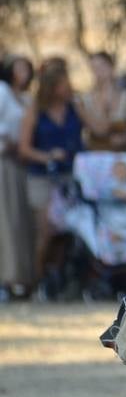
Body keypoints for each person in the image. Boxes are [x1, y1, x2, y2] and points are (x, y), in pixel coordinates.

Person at [18, 61, 83, 296]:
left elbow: (98, 128)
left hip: (68, 175)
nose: (69, 88)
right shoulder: (36, 111)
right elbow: (24, 149)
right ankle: (36, 282)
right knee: (45, 231)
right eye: (65, 84)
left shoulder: (74, 108)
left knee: (66, 231)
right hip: (41, 177)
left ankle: (57, 282)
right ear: (53, 87)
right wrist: (47, 156)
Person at [0, 55, 36, 298]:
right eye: (18, 67)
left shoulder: (28, 99)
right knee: (6, 221)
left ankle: (21, 277)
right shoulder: (2, 91)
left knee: (22, 222)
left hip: (23, 164)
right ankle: (7, 277)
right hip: (4, 161)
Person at [79, 51, 126, 152]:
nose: (98, 72)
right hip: (95, 155)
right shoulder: (85, 101)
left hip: (124, 156)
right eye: (94, 68)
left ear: (111, 67)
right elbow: (95, 130)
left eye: (102, 66)